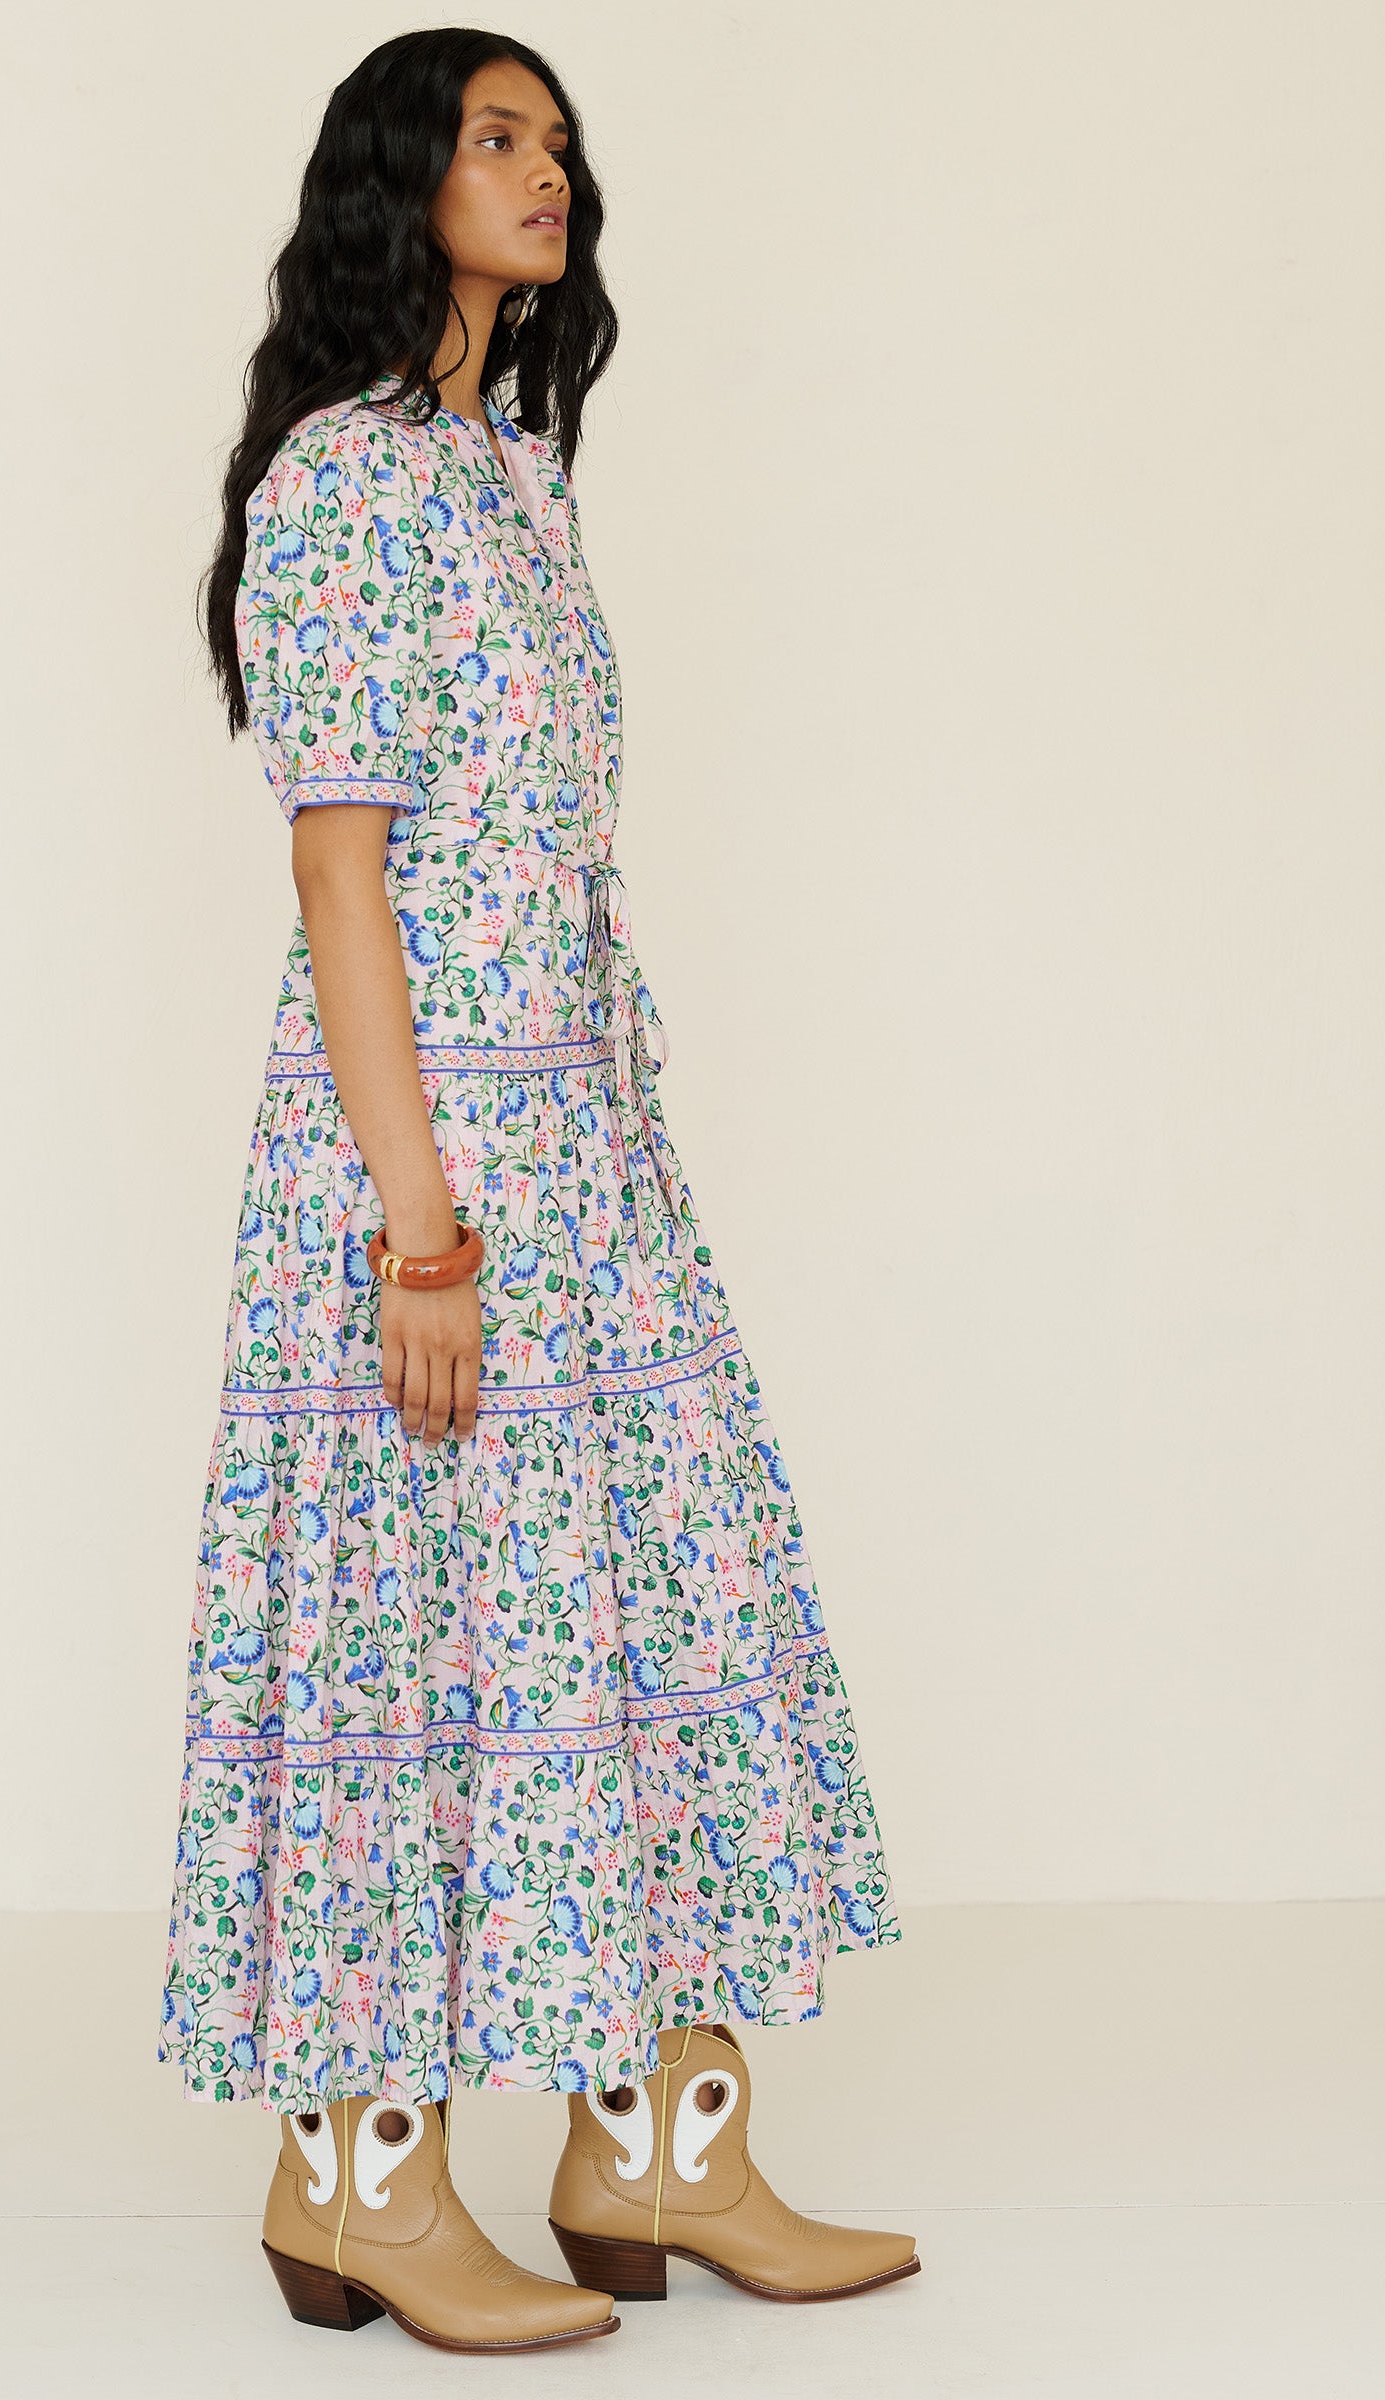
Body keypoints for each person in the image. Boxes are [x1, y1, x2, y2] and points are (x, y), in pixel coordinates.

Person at [160, 27, 918, 2354]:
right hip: (432, 1168)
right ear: (401, 176)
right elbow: (343, 874)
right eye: (499, 139)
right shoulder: (347, 484)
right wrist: (418, 1227)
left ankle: (657, 2154)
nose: (546, 174)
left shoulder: (510, 469)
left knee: (663, 1613)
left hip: (588, 1154)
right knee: (416, 1644)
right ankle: (357, 2193)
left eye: (562, 144)